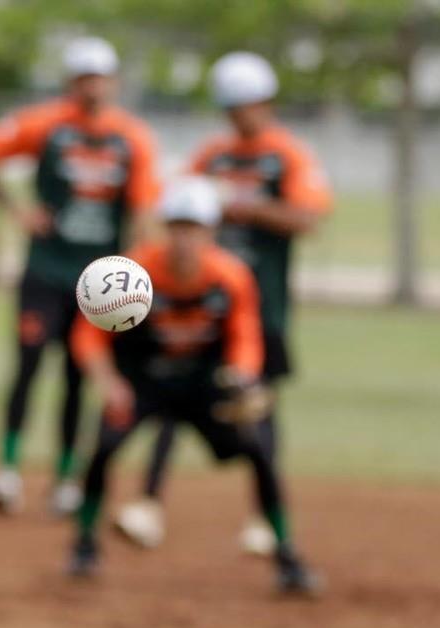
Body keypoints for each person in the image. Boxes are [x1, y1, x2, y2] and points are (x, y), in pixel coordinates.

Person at [114, 51, 333, 555]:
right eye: (230, 107)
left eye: (246, 105)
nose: (238, 116)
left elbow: (308, 218)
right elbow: (168, 209)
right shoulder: (211, 156)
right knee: (170, 401)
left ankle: (262, 517)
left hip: (261, 307)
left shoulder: (288, 154)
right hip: (196, 305)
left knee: (257, 408)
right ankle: (148, 506)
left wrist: (241, 206)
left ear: (265, 102)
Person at [67, 176, 319, 597]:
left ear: (211, 231)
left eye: (195, 227)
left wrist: (241, 378)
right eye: (178, 227)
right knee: (104, 447)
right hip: (143, 383)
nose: (185, 238)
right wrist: (108, 383)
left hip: (202, 386)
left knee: (258, 449)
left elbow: (245, 336)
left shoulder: (230, 277)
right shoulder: (133, 273)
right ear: (166, 228)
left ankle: (287, 555)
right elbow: (89, 335)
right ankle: (84, 545)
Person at [0, 36, 161, 517]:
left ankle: (63, 479)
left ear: (114, 82)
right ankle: (8, 471)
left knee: (79, 377)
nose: (92, 87)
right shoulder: (48, 124)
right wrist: (17, 210)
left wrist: (136, 272)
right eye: (83, 77)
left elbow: (141, 210)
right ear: (70, 82)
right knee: (29, 365)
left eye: (100, 77)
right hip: (45, 270)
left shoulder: (131, 137)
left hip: (98, 282)